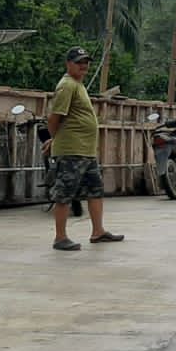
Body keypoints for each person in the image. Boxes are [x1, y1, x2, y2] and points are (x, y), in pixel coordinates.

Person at [46, 47, 123, 251]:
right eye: (79, 62)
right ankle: (60, 237)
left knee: (95, 191)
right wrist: (55, 139)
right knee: (65, 193)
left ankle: (98, 231)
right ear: (68, 64)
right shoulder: (67, 85)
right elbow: (54, 117)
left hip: (86, 151)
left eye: (86, 62)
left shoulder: (78, 85)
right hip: (72, 150)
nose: (84, 66)